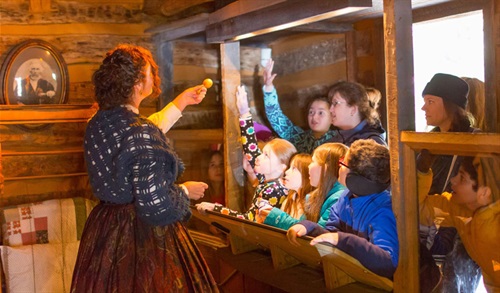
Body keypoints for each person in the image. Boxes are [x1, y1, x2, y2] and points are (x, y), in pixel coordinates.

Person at [71, 44, 218, 292]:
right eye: (150, 73)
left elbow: (136, 139)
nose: (154, 77)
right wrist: (183, 191)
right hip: (140, 237)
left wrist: (180, 102)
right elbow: (155, 205)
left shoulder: (97, 124)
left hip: (104, 231)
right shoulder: (139, 131)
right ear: (138, 84)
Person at [286, 139, 398, 279]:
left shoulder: (382, 211)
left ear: (356, 179)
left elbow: (388, 262)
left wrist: (343, 240)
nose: (339, 166)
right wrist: (310, 228)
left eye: (343, 163)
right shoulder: (345, 198)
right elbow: (331, 236)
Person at [418, 73, 481, 292]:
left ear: (450, 105)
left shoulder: (474, 140)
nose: (423, 108)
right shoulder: (426, 143)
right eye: (424, 102)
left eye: (430, 102)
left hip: (461, 228)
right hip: (427, 222)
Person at [196, 85, 297, 221]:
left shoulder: (274, 190)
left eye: (266, 155)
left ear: (282, 167)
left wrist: (216, 209)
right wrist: (244, 113)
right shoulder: (268, 181)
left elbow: (249, 221)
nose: (258, 157)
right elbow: (251, 148)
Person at [418, 152, 500, 292]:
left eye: (462, 178)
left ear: (484, 193)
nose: (453, 180)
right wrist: (422, 170)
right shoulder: (462, 210)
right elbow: (417, 207)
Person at [260, 143, 347, 230]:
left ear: (326, 168)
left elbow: (319, 235)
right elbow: (305, 226)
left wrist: (278, 218)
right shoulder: (314, 197)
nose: (309, 166)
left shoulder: (338, 199)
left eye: (313, 161)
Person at [262, 59, 336, 154]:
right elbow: (275, 116)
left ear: (332, 117)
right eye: (311, 112)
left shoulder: (338, 141)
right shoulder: (299, 138)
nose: (314, 117)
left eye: (321, 113)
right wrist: (268, 87)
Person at [257, 153, 313, 224]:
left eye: (294, 168)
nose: (286, 172)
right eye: (290, 167)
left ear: (306, 175)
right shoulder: (289, 200)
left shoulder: (311, 205)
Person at [327, 81, 386, 146]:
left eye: (336, 103)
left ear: (353, 109)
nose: (330, 109)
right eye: (331, 104)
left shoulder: (372, 145)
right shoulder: (333, 141)